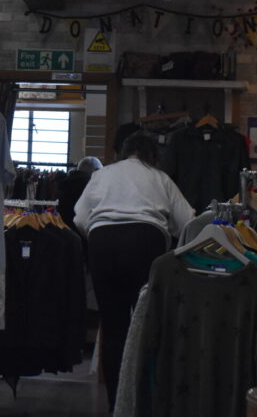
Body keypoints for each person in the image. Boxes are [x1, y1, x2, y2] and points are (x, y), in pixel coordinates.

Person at [74, 132, 194, 412]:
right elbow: (187, 221)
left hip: (103, 242)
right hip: (146, 241)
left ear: (124, 152)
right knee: (146, 323)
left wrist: (97, 232)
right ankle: (143, 400)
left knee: (112, 325)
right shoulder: (160, 178)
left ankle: (115, 403)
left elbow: (79, 216)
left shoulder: (102, 174)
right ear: (152, 155)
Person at [58, 156, 103, 234]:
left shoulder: (65, 183)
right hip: (84, 230)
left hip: (66, 229)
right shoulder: (90, 185)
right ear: (94, 170)